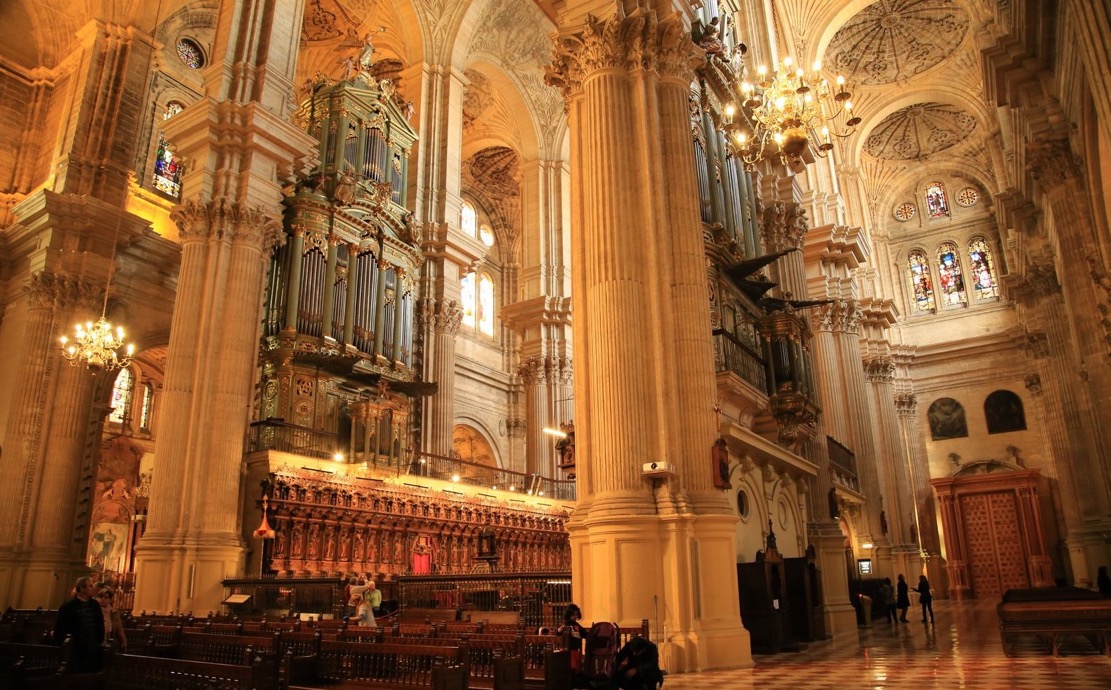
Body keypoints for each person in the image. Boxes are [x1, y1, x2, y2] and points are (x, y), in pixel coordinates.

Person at [54, 577, 105, 673]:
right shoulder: (69, 606)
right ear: (82, 588)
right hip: (76, 649)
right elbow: (60, 627)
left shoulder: (95, 605)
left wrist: (98, 640)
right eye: (90, 586)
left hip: (93, 647)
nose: (93, 588)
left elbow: (100, 623)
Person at [556, 603, 586, 673]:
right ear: (569, 615)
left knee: (576, 669)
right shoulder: (565, 624)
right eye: (574, 615)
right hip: (568, 650)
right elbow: (558, 632)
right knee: (570, 669)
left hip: (576, 650)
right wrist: (559, 630)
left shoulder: (576, 625)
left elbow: (584, 633)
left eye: (576, 614)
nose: (575, 616)